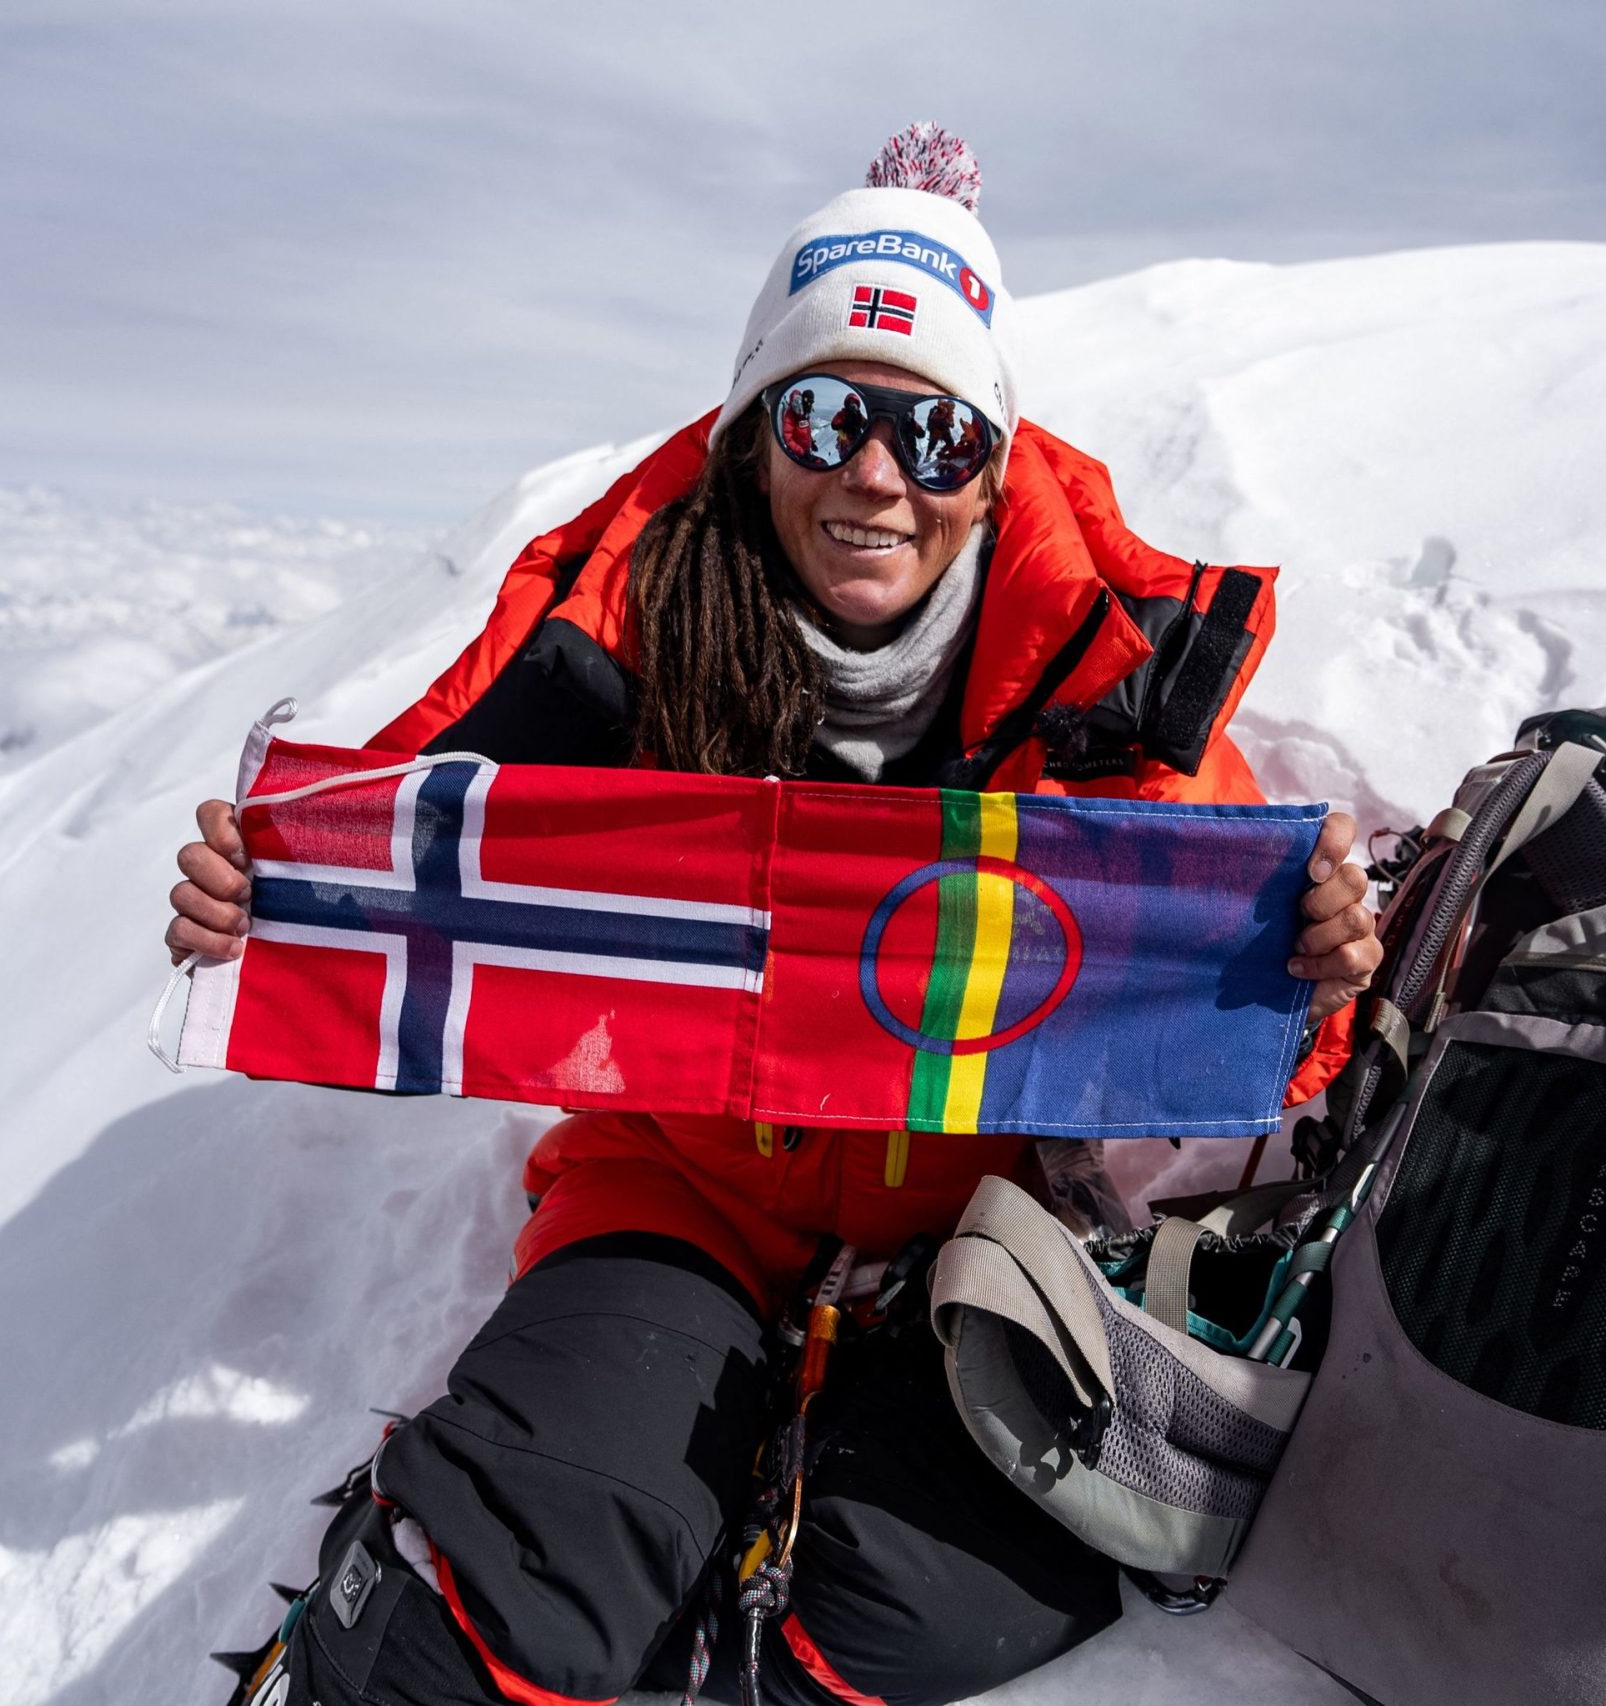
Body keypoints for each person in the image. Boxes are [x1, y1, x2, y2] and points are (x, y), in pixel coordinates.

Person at [169, 127, 1381, 1706]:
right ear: (756, 433)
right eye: (825, 413)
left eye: (934, 434)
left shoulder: (1092, 674)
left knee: (933, 1612)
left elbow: (1226, 966)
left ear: (990, 463)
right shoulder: (627, 635)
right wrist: (271, 900)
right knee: (528, 1547)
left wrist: (1323, 961)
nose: (878, 473)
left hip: (973, 1219)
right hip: (679, 1182)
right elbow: (421, 841)